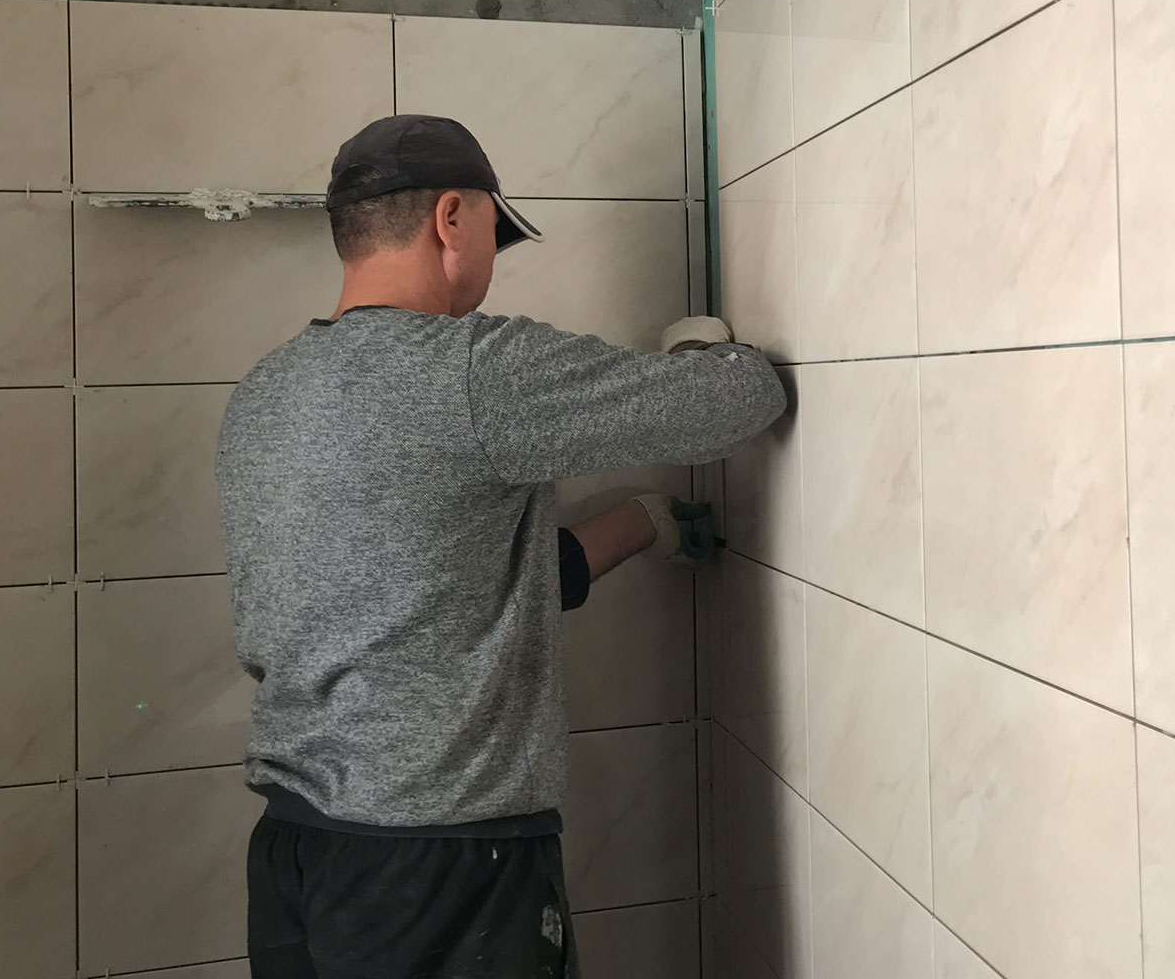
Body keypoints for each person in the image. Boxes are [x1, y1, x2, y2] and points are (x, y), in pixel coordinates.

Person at [216, 114, 786, 979]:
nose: (492, 258)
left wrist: (641, 522)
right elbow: (740, 402)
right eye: (494, 230)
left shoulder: (265, 395)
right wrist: (701, 350)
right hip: (441, 867)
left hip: (297, 852)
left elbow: (442, 587)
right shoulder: (473, 370)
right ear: (452, 218)